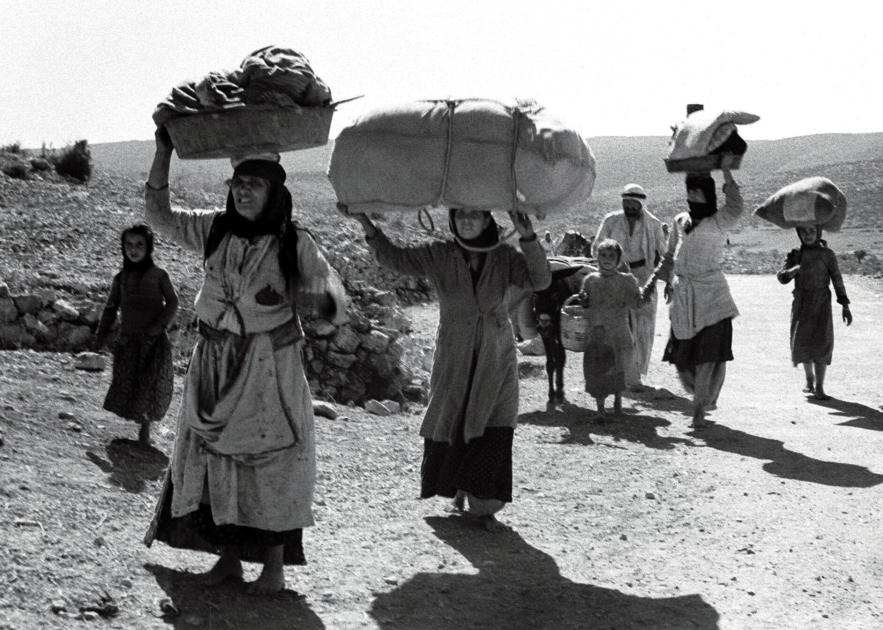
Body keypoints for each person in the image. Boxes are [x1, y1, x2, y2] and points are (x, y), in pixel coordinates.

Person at [142, 129, 349, 594]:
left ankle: (273, 569)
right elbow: (157, 215)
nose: (242, 190)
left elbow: (335, 306)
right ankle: (228, 559)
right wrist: (162, 152)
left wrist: (309, 294)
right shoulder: (214, 228)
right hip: (213, 361)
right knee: (216, 461)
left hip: (267, 367)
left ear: (275, 190)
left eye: (254, 183)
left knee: (270, 463)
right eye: (237, 181)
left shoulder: (294, 242)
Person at [339, 203, 550, 530]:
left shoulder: (504, 257)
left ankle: (484, 504)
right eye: (460, 214)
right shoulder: (440, 254)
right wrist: (364, 221)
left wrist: (528, 237)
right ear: (452, 218)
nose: (466, 220)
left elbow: (540, 279)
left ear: (486, 218)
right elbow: (395, 258)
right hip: (455, 352)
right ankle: (460, 490)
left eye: (474, 214)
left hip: (496, 354)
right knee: (456, 415)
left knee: (496, 418)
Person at [643, 159, 741, 428]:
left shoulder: (719, 221)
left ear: (708, 194)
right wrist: (653, 282)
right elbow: (668, 258)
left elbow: (736, 204)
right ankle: (701, 397)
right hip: (684, 297)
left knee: (709, 355)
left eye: (697, 192)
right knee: (683, 361)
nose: (691, 196)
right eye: (689, 191)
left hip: (713, 296)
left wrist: (725, 170)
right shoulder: (679, 221)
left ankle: (698, 409)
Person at [93, 223, 179, 446]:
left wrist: (159, 326)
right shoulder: (120, 279)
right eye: (129, 245)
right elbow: (111, 308)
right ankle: (136, 421)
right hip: (129, 341)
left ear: (148, 248)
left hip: (153, 342)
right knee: (128, 380)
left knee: (149, 383)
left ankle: (145, 430)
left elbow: (173, 302)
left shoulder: (159, 275)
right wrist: (100, 335)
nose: (134, 249)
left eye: (139, 245)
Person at [592, 184, 667, 389]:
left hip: (644, 276)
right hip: (616, 277)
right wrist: (611, 264)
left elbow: (664, 253)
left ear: (641, 204)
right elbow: (596, 246)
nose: (629, 208)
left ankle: (635, 374)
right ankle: (618, 372)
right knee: (619, 325)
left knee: (643, 327)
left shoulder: (654, 224)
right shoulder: (610, 221)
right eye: (626, 204)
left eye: (633, 205)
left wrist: (666, 280)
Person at [776, 225, 853, 399]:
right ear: (798, 233)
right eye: (803, 231)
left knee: (822, 343)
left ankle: (819, 387)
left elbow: (837, 279)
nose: (808, 235)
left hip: (821, 303)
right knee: (803, 342)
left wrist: (845, 304)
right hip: (801, 303)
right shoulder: (795, 254)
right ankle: (809, 379)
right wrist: (794, 270)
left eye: (811, 231)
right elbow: (781, 277)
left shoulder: (827, 255)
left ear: (818, 232)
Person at [578, 238, 644, 420]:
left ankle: (617, 405)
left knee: (619, 367)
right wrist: (583, 299)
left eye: (611, 255)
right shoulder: (590, 280)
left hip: (619, 332)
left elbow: (636, 304)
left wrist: (642, 295)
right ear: (597, 257)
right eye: (603, 255)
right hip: (597, 333)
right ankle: (600, 409)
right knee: (597, 369)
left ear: (619, 259)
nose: (607, 259)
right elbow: (585, 303)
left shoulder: (627, 280)